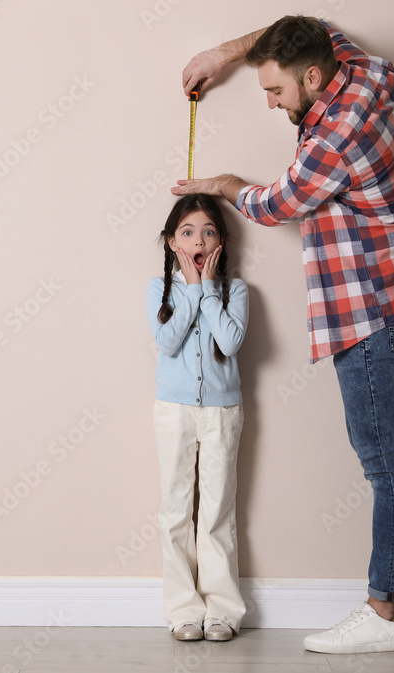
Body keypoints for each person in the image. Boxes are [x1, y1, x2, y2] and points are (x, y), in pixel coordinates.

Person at [172, 15, 394, 654]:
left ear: (313, 78)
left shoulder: (333, 141)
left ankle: (386, 609)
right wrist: (228, 53)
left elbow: (273, 203)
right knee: (391, 451)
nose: (269, 103)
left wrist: (220, 184)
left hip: (370, 311)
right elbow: (308, 24)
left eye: (276, 93)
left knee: (382, 460)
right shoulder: (370, 74)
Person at [147, 194, 249, 642]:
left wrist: (206, 289)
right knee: (175, 510)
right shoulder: (159, 289)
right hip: (174, 410)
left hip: (223, 412)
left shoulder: (236, 291)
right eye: (187, 232)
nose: (198, 239)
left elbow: (229, 343)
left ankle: (223, 611)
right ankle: (183, 611)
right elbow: (167, 343)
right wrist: (189, 289)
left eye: (208, 231)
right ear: (173, 242)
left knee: (216, 511)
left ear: (221, 243)